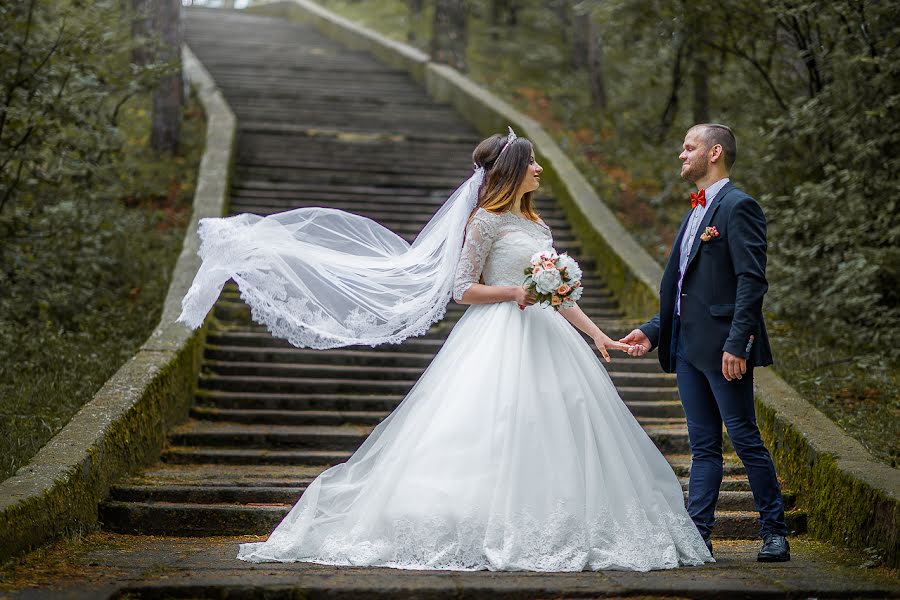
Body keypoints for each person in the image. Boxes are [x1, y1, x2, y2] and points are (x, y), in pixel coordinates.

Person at [179, 129, 714, 571]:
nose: (540, 172)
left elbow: (557, 294)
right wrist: (513, 292)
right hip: (495, 336)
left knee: (554, 423)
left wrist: (595, 335)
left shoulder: (537, 224)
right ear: (512, 171)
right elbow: (462, 288)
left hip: (547, 336)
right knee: (490, 426)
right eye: (533, 164)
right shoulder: (483, 222)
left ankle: (555, 518)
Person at [620, 124, 789, 562]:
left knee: (745, 437)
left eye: (689, 148)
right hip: (687, 348)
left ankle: (775, 532)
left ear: (714, 153)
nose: (682, 155)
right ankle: (699, 534)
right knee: (703, 446)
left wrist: (738, 343)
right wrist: (655, 330)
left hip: (724, 349)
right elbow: (684, 287)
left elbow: (752, 281)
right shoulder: (695, 210)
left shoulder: (739, 206)